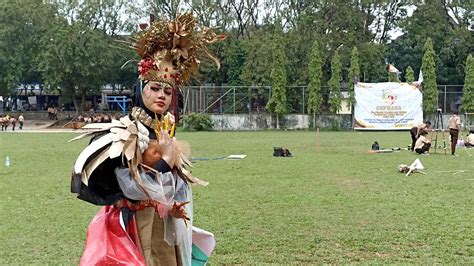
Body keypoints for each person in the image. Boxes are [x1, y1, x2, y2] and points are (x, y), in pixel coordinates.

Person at [71, 13, 224, 265]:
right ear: (140, 90)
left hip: (163, 224)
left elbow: (169, 185)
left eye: (167, 90)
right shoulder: (127, 131)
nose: (161, 95)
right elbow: (133, 187)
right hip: (135, 225)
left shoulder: (164, 129)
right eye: (154, 88)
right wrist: (164, 159)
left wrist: (172, 205)